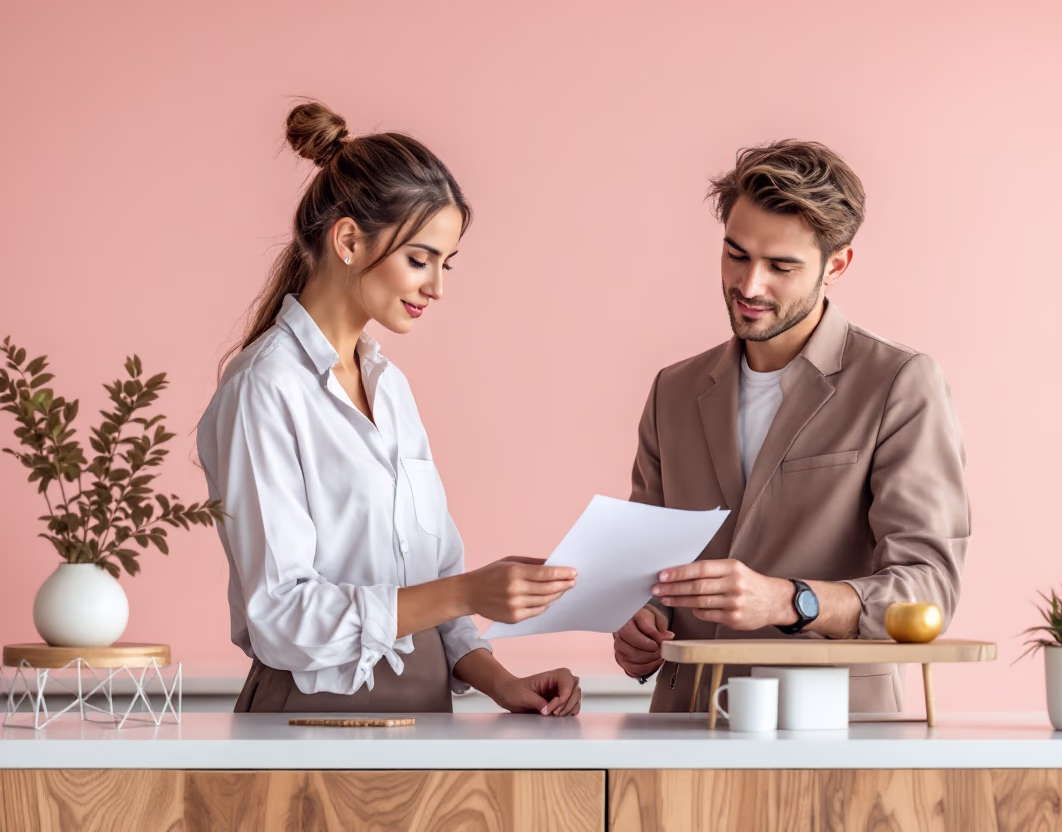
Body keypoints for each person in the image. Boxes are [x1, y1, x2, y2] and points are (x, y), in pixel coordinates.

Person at [197, 102, 582, 715]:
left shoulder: (390, 386)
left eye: (446, 263)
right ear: (349, 240)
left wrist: (500, 681)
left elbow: (434, 581)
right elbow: (281, 617)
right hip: (309, 723)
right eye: (420, 258)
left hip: (425, 716)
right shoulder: (264, 388)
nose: (438, 286)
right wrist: (469, 591)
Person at [612, 140, 969, 714]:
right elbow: (644, 574)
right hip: (683, 729)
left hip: (835, 731)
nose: (750, 286)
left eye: (781, 266)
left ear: (838, 264)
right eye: (736, 254)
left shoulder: (900, 382)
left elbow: (928, 586)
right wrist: (638, 620)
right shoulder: (672, 392)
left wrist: (790, 601)